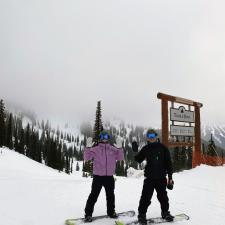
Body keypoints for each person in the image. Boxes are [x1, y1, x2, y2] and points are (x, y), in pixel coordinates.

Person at [132, 129, 174, 225]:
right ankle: (142, 215)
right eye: (149, 136)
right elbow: (138, 159)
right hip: (149, 178)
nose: (151, 138)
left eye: (153, 135)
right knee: (145, 197)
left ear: (156, 136)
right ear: (147, 137)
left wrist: (170, 178)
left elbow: (169, 163)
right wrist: (135, 151)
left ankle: (165, 213)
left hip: (161, 178)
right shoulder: (146, 148)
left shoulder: (163, 148)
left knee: (163, 197)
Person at [83, 130, 124, 222]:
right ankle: (88, 214)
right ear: (100, 138)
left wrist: (120, 148)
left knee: (110, 196)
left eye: (106, 137)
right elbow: (87, 158)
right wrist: (88, 147)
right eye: (102, 137)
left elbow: (120, 158)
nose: (104, 139)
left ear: (108, 138)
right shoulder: (95, 149)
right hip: (98, 177)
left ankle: (111, 212)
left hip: (109, 177)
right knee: (93, 195)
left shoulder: (113, 149)